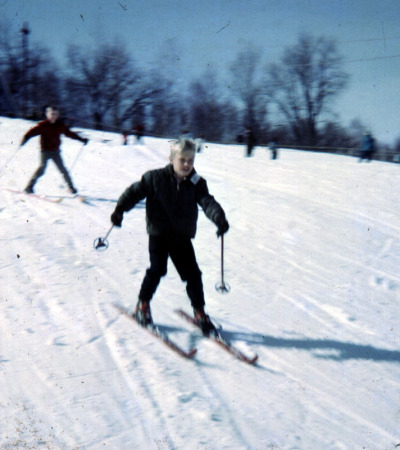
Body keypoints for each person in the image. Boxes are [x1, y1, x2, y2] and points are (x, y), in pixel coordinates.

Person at [110, 138, 229, 333]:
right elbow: (134, 192)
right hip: (159, 233)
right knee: (157, 269)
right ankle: (143, 304)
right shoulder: (155, 178)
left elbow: (207, 202)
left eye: (191, 160)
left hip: (181, 236)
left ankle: (199, 312)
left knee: (193, 274)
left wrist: (219, 218)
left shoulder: (196, 183)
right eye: (182, 160)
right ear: (171, 159)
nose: (187, 165)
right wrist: (120, 209)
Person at [20, 106, 89, 193]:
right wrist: (25, 138)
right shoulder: (43, 125)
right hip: (45, 151)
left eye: (56, 114)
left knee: (63, 170)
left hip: (56, 152)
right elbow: (32, 132)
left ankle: (71, 187)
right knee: (42, 169)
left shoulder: (60, 125)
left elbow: (69, 133)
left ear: (58, 115)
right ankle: (29, 187)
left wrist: (81, 139)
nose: (54, 116)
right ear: (47, 115)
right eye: (52, 114)